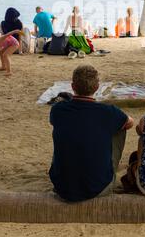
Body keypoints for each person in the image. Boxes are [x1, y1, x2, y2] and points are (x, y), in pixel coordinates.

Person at [49, 65, 134, 202]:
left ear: (72, 86)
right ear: (97, 87)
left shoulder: (58, 109)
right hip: (98, 187)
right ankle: (109, 167)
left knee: (67, 128)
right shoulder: (109, 112)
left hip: (61, 186)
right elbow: (130, 122)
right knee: (121, 127)